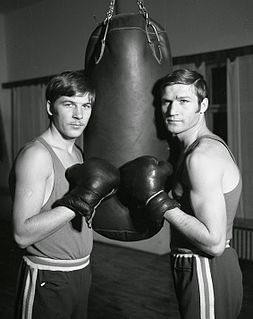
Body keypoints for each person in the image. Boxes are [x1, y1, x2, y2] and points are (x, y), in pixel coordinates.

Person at [120, 69, 243, 319]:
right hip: (198, 266)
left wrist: (161, 202)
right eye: (167, 101)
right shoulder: (192, 149)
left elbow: (215, 242)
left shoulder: (201, 157)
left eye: (184, 101)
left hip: (205, 266)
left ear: (203, 105)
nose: (172, 110)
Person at [9, 70, 119, 319]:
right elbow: (21, 234)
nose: (79, 115)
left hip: (81, 272)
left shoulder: (78, 154)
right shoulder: (37, 155)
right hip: (47, 275)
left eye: (86, 105)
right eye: (69, 104)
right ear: (51, 107)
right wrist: (80, 200)